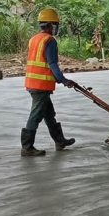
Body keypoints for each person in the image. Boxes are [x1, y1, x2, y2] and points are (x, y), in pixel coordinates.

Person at [21, 8, 78, 157]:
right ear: (49, 26)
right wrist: (63, 80)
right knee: (36, 115)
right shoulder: (49, 41)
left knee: (48, 114)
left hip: (32, 82)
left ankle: (60, 141)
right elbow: (52, 63)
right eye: (54, 25)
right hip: (41, 85)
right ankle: (27, 147)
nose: (55, 29)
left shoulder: (34, 39)